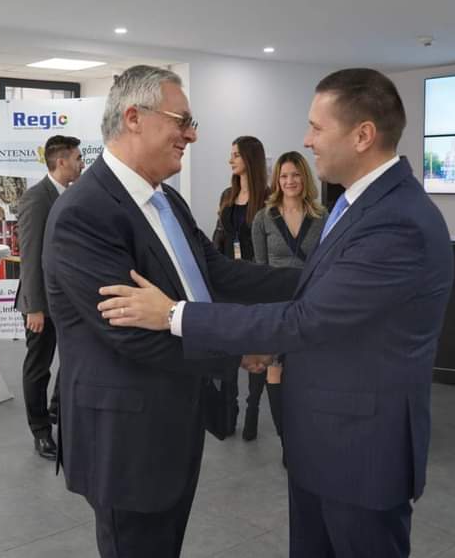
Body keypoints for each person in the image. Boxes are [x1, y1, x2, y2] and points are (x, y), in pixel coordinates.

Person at [98, 68, 454, 558]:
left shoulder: (398, 222)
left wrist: (175, 315)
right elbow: (309, 290)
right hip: (324, 439)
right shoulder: (360, 205)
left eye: (316, 127)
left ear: (363, 135)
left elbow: (307, 318)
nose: (307, 141)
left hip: (360, 450)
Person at [42, 65, 299, 557]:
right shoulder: (84, 213)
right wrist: (239, 352)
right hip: (126, 440)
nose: (192, 135)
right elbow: (129, 333)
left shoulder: (166, 201)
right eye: (182, 121)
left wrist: (319, 278)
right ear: (133, 118)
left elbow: (218, 273)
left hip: (175, 418)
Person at [15, 134, 84, 460]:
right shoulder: (36, 199)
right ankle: (41, 431)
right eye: (77, 158)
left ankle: (56, 407)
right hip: (41, 304)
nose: (82, 164)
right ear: (61, 161)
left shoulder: (69, 195)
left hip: (67, 300)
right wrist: (35, 308)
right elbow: (30, 257)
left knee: (74, 356)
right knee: (38, 368)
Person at [250, 150, 325, 443]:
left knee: (307, 371)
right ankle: (286, 440)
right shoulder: (263, 218)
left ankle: (305, 434)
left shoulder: (322, 217)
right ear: (277, 180)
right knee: (275, 369)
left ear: (305, 178)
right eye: (284, 176)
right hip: (277, 306)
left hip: (310, 304)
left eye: (295, 175)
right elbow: (260, 268)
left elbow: (326, 264)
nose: (289, 181)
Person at [213, 135, 269, 440]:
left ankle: (252, 411)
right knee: (230, 348)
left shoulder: (268, 199)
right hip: (227, 281)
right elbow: (218, 237)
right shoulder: (227, 195)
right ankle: (228, 411)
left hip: (254, 282)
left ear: (250, 158)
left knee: (255, 348)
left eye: (235, 155)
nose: (230, 160)